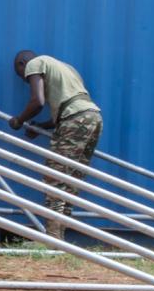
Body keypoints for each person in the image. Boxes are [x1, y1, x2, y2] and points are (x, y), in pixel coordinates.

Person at [9, 51, 104, 238]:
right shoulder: (68, 69)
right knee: (71, 180)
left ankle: (53, 238)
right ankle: (61, 234)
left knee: (55, 178)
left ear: (22, 63)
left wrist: (19, 120)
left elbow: (38, 102)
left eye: (22, 76)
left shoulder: (35, 63)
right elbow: (66, 110)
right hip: (93, 117)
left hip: (75, 119)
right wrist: (39, 127)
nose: (25, 80)